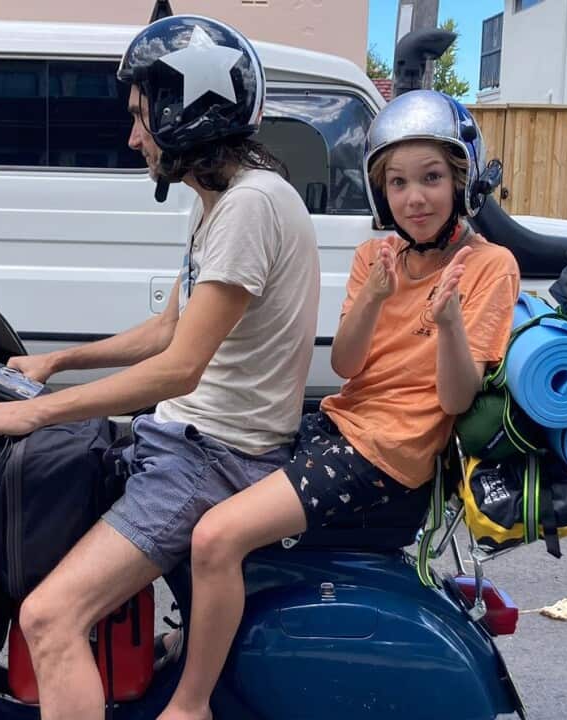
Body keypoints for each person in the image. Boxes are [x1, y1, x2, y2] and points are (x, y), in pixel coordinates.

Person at [0, 15, 320, 720]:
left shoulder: (249, 208)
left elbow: (180, 369)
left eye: (142, 118)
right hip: (188, 442)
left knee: (50, 618)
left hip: (211, 459)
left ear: (187, 112)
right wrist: (57, 361)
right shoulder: (223, 201)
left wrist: (30, 411)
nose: (133, 137)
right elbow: (168, 329)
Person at [157, 89, 522, 720]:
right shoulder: (373, 257)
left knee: (216, 536)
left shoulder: (491, 266)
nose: (415, 198)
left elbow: (456, 398)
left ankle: (189, 706)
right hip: (343, 428)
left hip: (389, 454)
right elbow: (348, 366)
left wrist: (452, 324)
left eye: (432, 178)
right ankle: (202, 638)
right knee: (190, 483)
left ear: (462, 179)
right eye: (399, 183)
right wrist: (377, 297)